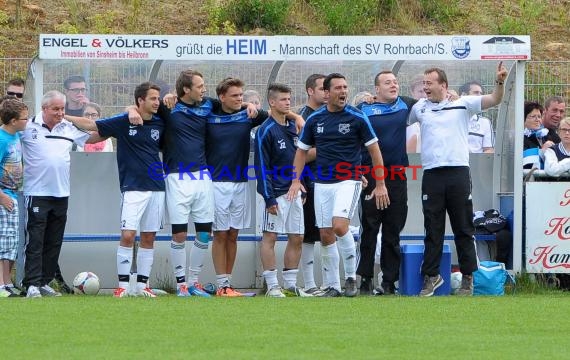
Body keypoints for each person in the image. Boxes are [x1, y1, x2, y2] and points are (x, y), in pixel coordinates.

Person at [408, 62, 508, 297]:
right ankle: (432, 276)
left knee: (463, 227)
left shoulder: (462, 103)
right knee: (433, 228)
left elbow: (495, 99)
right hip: (432, 174)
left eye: (429, 83)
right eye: (423, 83)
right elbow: (400, 118)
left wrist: (500, 81)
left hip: (458, 174)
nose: (425, 88)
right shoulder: (420, 107)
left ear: (443, 85)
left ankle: (468, 277)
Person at [287, 73, 390, 297]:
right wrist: (295, 180)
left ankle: (351, 278)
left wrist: (380, 183)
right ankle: (333, 285)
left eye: (345, 87)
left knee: (340, 226)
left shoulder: (358, 117)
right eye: (338, 88)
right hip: (322, 183)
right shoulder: (315, 120)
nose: (343, 92)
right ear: (326, 93)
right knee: (325, 234)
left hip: (349, 180)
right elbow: (301, 152)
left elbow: (374, 151)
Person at [66, 82, 165, 298]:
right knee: (128, 235)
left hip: (157, 187)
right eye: (153, 98)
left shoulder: (161, 121)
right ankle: (122, 286)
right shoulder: (124, 121)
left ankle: (141, 286)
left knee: (149, 237)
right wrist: (65, 118)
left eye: (158, 98)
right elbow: (91, 125)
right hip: (132, 187)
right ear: (140, 100)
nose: (157, 102)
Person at [21, 91, 97, 298]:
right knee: (35, 240)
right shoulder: (28, 127)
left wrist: (118, 128)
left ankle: (44, 282)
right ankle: (31, 284)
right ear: (44, 109)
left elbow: (93, 133)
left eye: (62, 108)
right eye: (55, 109)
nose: (60, 113)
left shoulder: (68, 127)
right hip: (36, 193)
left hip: (61, 193)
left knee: (54, 241)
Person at [206, 78, 270, 297]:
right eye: (234, 96)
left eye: (241, 96)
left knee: (233, 234)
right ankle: (221, 283)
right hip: (216, 183)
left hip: (241, 183)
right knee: (220, 234)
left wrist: (248, 106)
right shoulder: (209, 113)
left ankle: (228, 285)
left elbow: (274, 115)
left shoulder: (248, 116)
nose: (239, 99)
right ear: (222, 97)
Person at [357, 71, 416, 295]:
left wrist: (450, 94)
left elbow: (432, 100)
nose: (394, 85)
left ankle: (389, 282)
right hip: (370, 177)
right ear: (376, 90)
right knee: (370, 228)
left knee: (393, 230)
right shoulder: (364, 109)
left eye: (396, 82)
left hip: (397, 176)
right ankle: (365, 280)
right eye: (387, 83)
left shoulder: (406, 105)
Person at [255, 83, 310, 297]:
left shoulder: (292, 126)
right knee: (270, 238)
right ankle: (272, 286)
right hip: (275, 193)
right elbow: (261, 166)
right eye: (283, 99)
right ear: (272, 102)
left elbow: (299, 158)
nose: (288, 102)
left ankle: (290, 284)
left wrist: (301, 183)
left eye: (289, 98)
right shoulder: (265, 130)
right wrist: (269, 198)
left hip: (294, 192)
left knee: (296, 237)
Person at [297, 73, 326, 294]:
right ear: (310, 91)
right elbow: (299, 155)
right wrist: (328, 149)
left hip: (334, 183)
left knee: (330, 232)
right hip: (309, 184)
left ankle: (330, 283)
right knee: (308, 235)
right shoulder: (301, 117)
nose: (327, 93)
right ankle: (309, 284)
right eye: (322, 88)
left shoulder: (334, 114)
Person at [0, 98, 27, 297]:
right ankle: (1, 285)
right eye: (24, 119)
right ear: (12, 121)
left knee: (11, 243)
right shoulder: (1, 139)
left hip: (13, 195)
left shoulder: (16, 136)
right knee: (3, 242)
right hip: (3, 198)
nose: (27, 122)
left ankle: (7, 282)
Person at [459, 81, 495, 153]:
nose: (480, 96)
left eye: (481, 93)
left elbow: (489, 150)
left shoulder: (485, 122)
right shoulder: (451, 118)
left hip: (477, 163)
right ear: (463, 95)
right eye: (476, 92)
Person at [523, 101, 556, 169]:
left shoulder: (546, 135)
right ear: (523, 119)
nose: (537, 119)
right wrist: (542, 151)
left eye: (539, 116)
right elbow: (524, 162)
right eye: (533, 116)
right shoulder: (520, 138)